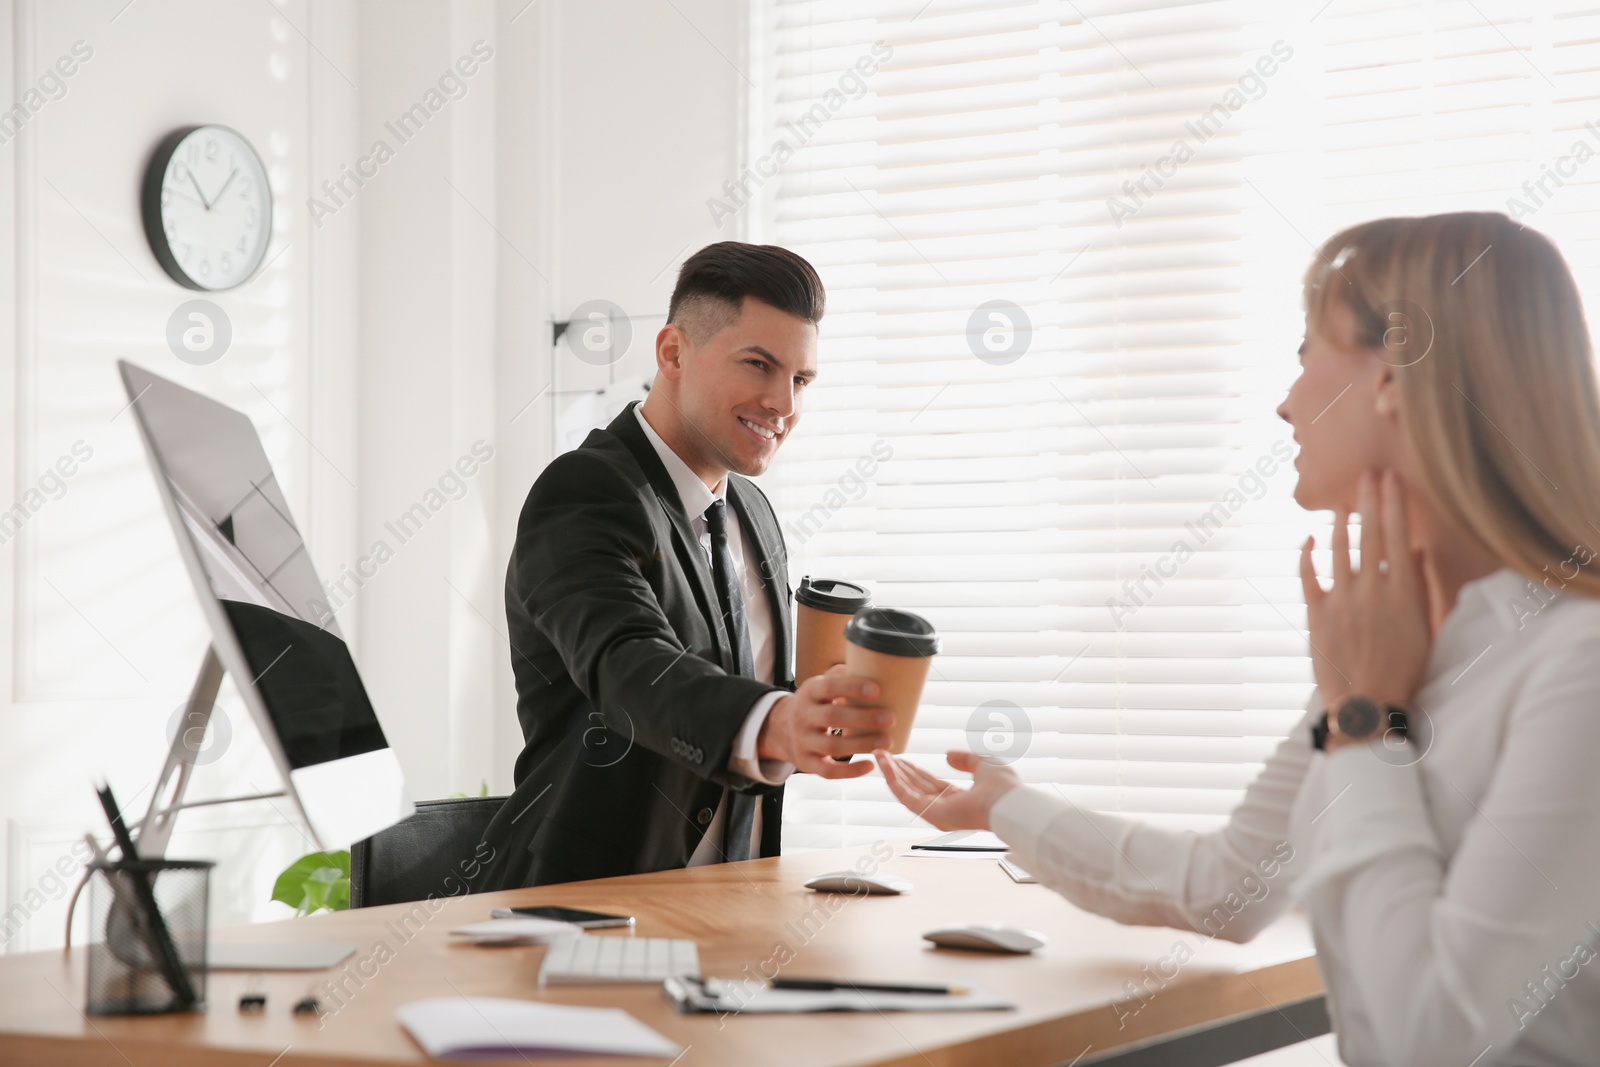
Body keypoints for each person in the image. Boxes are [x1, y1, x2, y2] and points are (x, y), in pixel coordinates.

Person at [876, 212, 1600, 1066]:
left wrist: (1368, 725)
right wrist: (1003, 803)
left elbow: (1432, 1038)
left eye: (1304, 354)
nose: (1285, 400)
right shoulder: (1391, 649)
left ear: (1396, 376)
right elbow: (1228, 886)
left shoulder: (1572, 665)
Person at [479, 241, 890, 890]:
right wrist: (780, 720)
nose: (784, 403)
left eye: (801, 379)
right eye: (759, 364)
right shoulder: (585, 492)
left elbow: (733, 695)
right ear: (673, 353)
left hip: (734, 909)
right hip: (584, 910)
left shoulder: (752, 509)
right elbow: (631, 665)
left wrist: (817, 717)